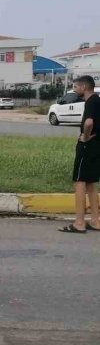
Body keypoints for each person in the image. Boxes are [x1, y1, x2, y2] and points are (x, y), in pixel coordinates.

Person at [60, 76, 100, 233]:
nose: (74, 89)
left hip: (87, 147)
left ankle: (79, 223)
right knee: (91, 183)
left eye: (76, 86)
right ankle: (95, 221)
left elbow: (88, 122)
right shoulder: (98, 101)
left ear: (84, 87)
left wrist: (85, 137)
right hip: (97, 146)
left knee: (80, 182)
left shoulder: (90, 102)